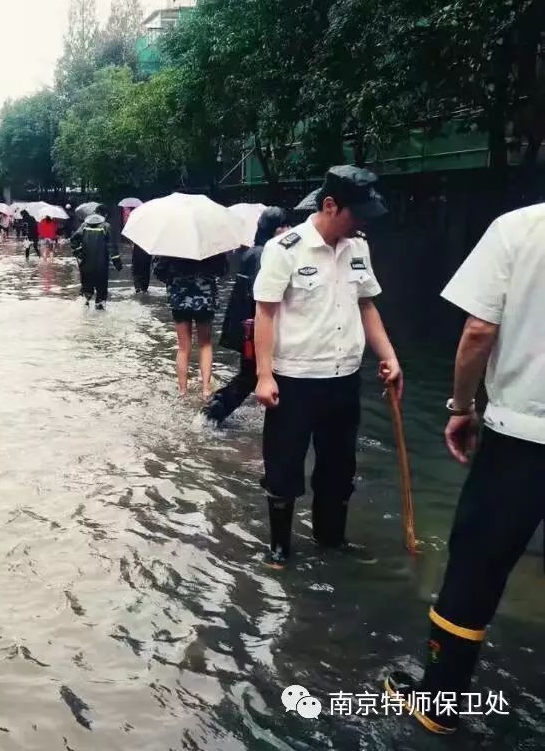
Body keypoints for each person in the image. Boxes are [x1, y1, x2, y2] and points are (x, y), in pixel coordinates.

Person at [384, 203, 545, 736]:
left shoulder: (521, 229)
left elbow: (478, 331)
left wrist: (460, 408)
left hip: (524, 434)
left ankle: (440, 700)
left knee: (478, 563)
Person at [252, 165, 402, 570]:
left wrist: (389, 356)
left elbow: (366, 304)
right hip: (294, 379)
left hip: (344, 377)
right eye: (357, 214)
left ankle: (331, 541)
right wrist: (265, 375)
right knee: (284, 467)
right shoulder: (285, 249)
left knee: (339, 469)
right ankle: (280, 549)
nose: (362, 223)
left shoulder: (358, 248)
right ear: (331, 205)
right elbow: (264, 313)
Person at [204, 207, 293, 423]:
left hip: (247, 328)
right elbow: (262, 299)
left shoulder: (254, 252)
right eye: (286, 226)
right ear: (276, 228)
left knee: (251, 377)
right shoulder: (264, 254)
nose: (291, 231)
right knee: (249, 378)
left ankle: (213, 413)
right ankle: (212, 413)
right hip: (254, 330)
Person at [154, 253, 228, 398]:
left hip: (179, 297)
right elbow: (222, 270)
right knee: (205, 344)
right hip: (205, 296)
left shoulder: (171, 244)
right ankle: (206, 389)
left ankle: (183, 391)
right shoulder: (211, 242)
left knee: (183, 347)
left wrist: (175, 278)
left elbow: (158, 270)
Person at [70, 210, 122, 309]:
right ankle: (99, 315)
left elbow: (73, 241)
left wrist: (79, 253)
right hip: (101, 267)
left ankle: (84, 317)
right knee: (101, 292)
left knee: (86, 292)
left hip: (85, 265)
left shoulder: (84, 226)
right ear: (104, 215)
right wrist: (117, 262)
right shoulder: (106, 227)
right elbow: (111, 247)